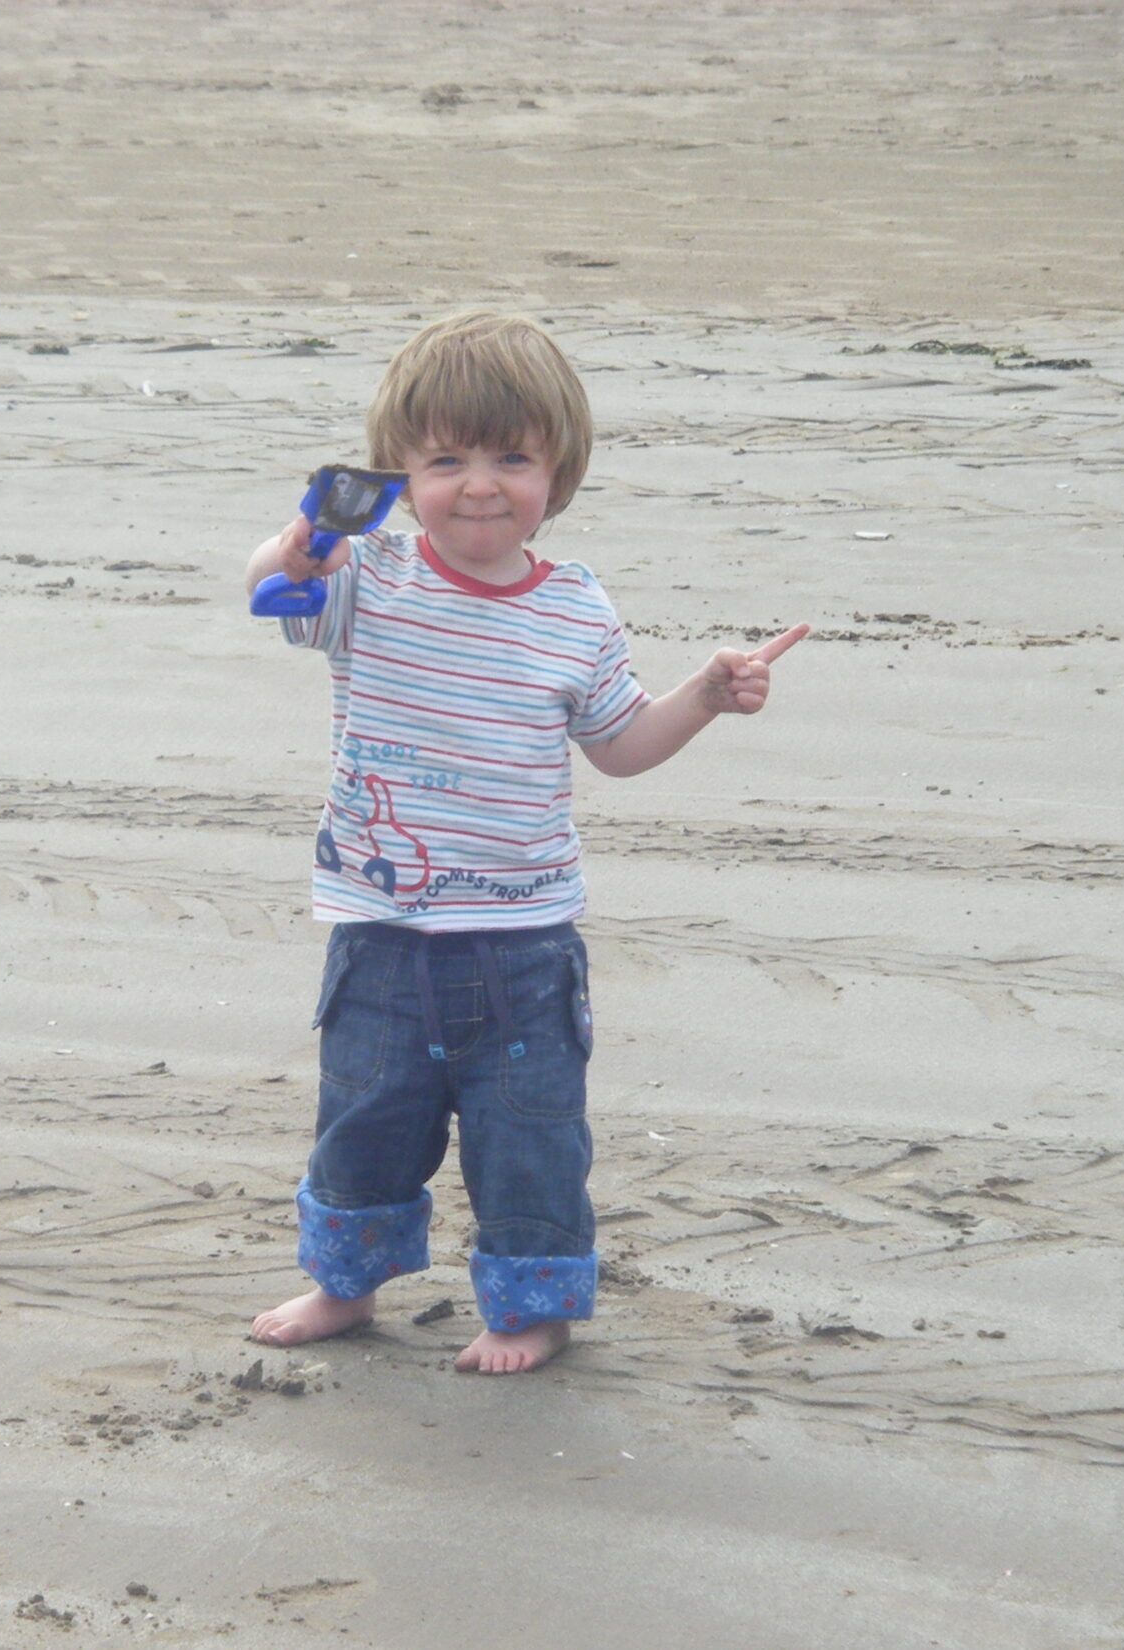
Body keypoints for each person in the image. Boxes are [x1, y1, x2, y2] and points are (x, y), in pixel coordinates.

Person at [241, 312, 806, 1375]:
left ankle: (532, 1304)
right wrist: (303, 541)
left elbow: (623, 747)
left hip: (522, 944)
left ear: (559, 469)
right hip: (381, 931)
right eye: (445, 459)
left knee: (531, 1137)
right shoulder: (370, 577)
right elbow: (273, 585)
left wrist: (703, 696)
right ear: (400, 474)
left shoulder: (577, 612)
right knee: (362, 1119)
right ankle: (344, 1285)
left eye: (512, 456)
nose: (481, 485)